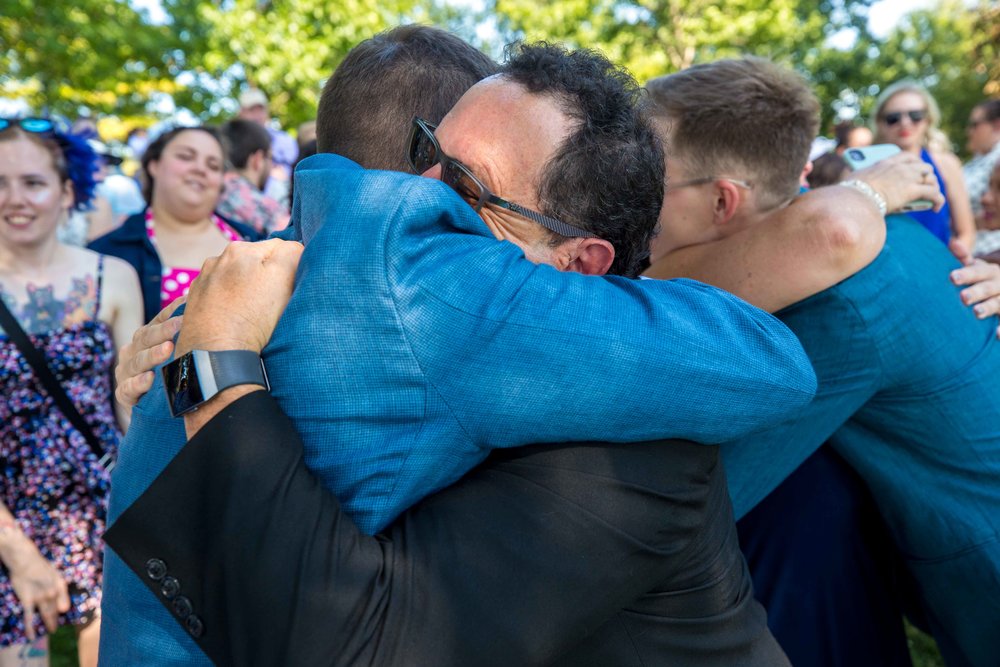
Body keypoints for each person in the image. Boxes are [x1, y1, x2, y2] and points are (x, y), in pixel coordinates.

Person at [99, 36, 824, 666]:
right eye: (423, 150)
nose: (419, 192)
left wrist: (214, 363)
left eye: (467, 186)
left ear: (581, 264)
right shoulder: (402, 281)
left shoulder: (408, 289)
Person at [644, 58, 1000, 666]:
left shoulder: (836, 306)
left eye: (644, 181)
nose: (627, 199)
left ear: (723, 201)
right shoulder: (872, 238)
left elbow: (695, 505)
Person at [0, 119, 143, 667]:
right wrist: (20, 555)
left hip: (97, 507)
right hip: (7, 519)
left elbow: (131, 407)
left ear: (66, 192)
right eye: (1, 182)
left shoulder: (114, 276)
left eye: (33, 183)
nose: (16, 199)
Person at [88, 127, 260, 323]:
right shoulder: (107, 252)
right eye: (186, 157)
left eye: (213, 166)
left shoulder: (252, 241)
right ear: (153, 165)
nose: (200, 169)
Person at [872, 80, 976, 250]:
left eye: (915, 115)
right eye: (893, 118)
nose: (905, 123)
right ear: (880, 123)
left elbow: (966, 232)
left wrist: (954, 261)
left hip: (937, 267)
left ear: (928, 120)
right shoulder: (867, 169)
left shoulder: (946, 164)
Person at [216, 119, 290, 234]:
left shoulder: (209, 193)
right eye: (271, 158)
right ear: (258, 159)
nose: (273, 166)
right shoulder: (268, 210)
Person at [237, 88, 297, 208]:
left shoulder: (283, 140)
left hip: (278, 199)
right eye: (251, 110)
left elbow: (291, 168)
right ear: (241, 113)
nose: (257, 115)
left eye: (261, 110)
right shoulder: (232, 140)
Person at [964, 99, 1000, 252]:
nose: (969, 131)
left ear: (997, 125)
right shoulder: (979, 161)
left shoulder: (995, 159)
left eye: (975, 124)